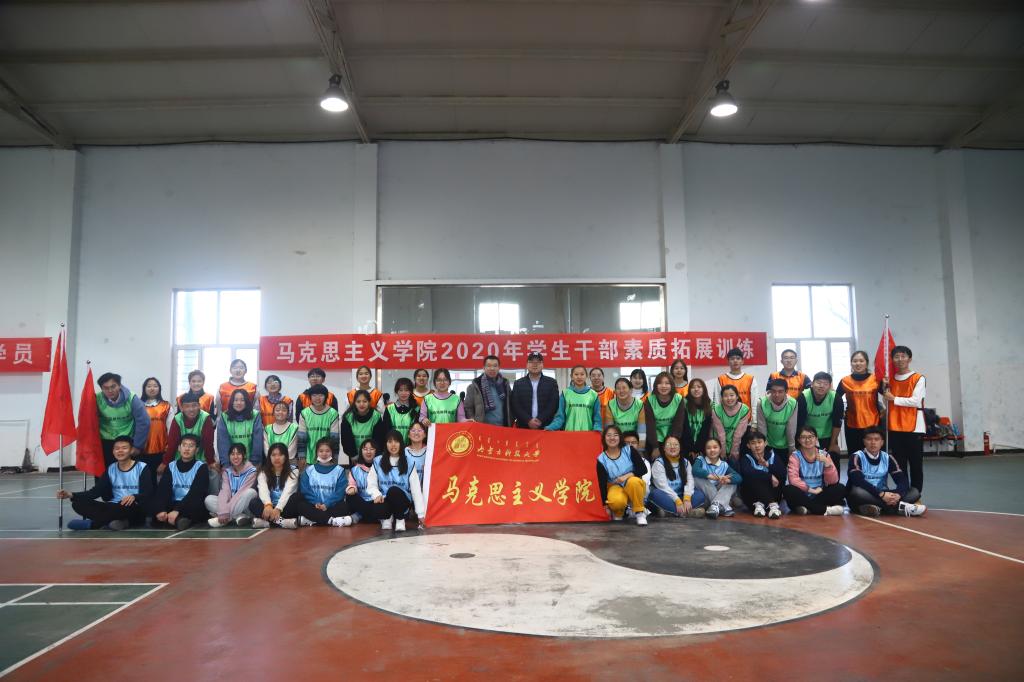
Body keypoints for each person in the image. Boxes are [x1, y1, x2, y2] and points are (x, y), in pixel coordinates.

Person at [58, 436, 154, 530]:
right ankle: (119, 522)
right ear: (113, 451)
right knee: (78, 503)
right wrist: (71, 494)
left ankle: (94, 524)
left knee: (126, 506)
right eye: (117, 448)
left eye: (124, 448)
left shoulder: (141, 467)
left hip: (134, 506)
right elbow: (95, 492)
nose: (120, 451)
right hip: (113, 506)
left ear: (132, 450)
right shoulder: (111, 468)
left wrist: (134, 496)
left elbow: (148, 493)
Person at [847, 427, 926, 517]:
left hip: (884, 494)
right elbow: (858, 481)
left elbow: (902, 480)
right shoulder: (856, 456)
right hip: (866, 493)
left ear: (882, 442)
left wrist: (898, 495)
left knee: (915, 492)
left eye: (876, 439)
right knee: (857, 492)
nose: (873, 442)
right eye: (869, 439)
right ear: (864, 442)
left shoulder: (887, 458)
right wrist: (881, 494)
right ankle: (900, 507)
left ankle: (878, 507)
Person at [883, 345, 927, 494]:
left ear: (909, 359)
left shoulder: (918, 378)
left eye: (903, 356)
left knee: (915, 463)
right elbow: (887, 403)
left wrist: (894, 398)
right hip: (895, 426)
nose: (900, 359)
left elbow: (915, 401)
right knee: (899, 464)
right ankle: (903, 492)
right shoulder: (890, 380)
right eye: (896, 356)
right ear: (892, 360)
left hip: (914, 427)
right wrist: (885, 392)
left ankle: (916, 494)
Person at [368, 430, 426, 531]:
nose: (393, 445)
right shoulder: (378, 461)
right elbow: (371, 483)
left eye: (396, 441)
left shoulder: (409, 462)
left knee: (393, 491)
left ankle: (400, 519)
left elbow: (416, 490)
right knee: (377, 508)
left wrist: (420, 514)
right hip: (385, 499)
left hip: (403, 502)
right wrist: (376, 494)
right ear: (386, 444)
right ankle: (387, 518)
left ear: (401, 443)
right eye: (390, 441)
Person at [783, 426, 847, 516]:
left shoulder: (825, 455)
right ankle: (824, 509)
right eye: (803, 437)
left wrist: (827, 464)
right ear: (798, 440)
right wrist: (811, 490)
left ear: (816, 438)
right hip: (802, 493)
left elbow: (833, 481)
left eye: (811, 436)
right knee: (788, 490)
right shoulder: (795, 456)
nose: (807, 440)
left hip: (820, 493)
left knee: (840, 488)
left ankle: (806, 507)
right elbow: (793, 480)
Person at [151, 434, 209, 530]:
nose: (187, 449)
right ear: (179, 448)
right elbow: (163, 490)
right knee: (156, 508)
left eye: (191, 446)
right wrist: (161, 509)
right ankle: (179, 520)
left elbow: (196, 493)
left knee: (197, 507)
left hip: (191, 502)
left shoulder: (201, 467)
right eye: (184, 445)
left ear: (197, 450)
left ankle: (177, 520)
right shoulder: (171, 466)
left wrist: (177, 510)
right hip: (173, 502)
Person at [596, 425, 649, 526]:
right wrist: (605, 505)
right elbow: (602, 483)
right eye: (609, 435)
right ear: (604, 438)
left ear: (620, 437)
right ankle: (618, 513)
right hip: (615, 486)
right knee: (616, 501)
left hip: (632, 484)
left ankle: (640, 513)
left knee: (634, 481)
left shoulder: (629, 450)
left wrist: (626, 476)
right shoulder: (601, 459)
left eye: (615, 435)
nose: (612, 438)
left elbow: (643, 469)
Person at [96, 372, 150, 468]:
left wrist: (137, 446)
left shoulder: (132, 399)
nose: (110, 390)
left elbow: (144, 423)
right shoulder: (97, 399)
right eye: (106, 388)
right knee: (105, 472)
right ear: (101, 389)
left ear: (119, 385)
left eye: (113, 386)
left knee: (127, 471)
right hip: (105, 442)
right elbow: (89, 421)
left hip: (127, 441)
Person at [295, 438, 353, 527]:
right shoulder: (309, 470)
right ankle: (331, 521)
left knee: (345, 507)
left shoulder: (339, 470)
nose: (324, 454)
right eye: (321, 451)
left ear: (332, 453)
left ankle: (312, 520)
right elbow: (305, 490)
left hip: (331, 506)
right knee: (301, 505)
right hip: (314, 505)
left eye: (327, 451)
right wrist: (316, 502)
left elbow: (340, 492)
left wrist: (327, 504)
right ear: (316, 453)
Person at [836, 350, 884, 457]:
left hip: (873, 424)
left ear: (866, 363)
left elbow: (887, 395)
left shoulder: (875, 379)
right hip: (852, 424)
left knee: (873, 456)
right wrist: (840, 412)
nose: (858, 363)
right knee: (855, 456)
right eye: (855, 361)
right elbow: (836, 399)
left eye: (861, 361)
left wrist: (884, 410)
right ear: (851, 363)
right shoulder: (845, 381)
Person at [648, 434, 706, 518]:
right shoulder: (659, 463)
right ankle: (687, 513)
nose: (672, 447)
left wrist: (687, 498)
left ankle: (670, 512)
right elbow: (662, 486)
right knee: (655, 494)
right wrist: (677, 500)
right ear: (664, 448)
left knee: (700, 495)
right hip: (667, 496)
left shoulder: (686, 462)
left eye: (676, 444)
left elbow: (690, 481)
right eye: (669, 444)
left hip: (682, 496)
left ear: (680, 447)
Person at [797, 372, 844, 468]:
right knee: (809, 464)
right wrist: (802, 442)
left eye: (825, 384)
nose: (821, 386)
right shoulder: (803, 397)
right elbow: (800, 423)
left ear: (829, 386)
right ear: (812, 384)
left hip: (828, 436)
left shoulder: (836, 398)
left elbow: (837, 423)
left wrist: (833, 444)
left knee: (832, 461)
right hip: (808, 436)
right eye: (818, 382)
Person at [205, 443, 258, 527]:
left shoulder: (252, 471)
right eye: (232, 454)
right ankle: (239, 516)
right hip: (232, 504)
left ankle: (225, 519)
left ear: (244, 455)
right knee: (208, 499)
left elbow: (240, 493)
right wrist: (223, 510)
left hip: (245, 506)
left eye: (238, 454)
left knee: (250, 492)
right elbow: (224, 492)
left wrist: (224, 512)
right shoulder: (227, 472)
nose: (235, 457)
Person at [249, 442, 300, 529]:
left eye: (280, 455)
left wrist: (278, 508)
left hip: (285, 507)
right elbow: (263, 490)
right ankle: (282, 522)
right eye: (273, 455)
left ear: (286, 456)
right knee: (253, 503)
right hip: (269, 507)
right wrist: (268, 505)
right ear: (269, 457)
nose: (277, 458)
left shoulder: (294, 471)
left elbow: (288, 491)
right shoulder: (263, 472)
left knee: (297, 498)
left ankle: (267, 523)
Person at [162, 393, 216, 475]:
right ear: (182, 408)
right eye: (187, 406)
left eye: (194, 405)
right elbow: (172, 444)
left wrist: (211, 461)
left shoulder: (205, 417)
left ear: (199, 406)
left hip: (200, 460)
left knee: (214, 473)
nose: (191, 409)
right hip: (181, 459)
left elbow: (208, 443)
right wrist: (165, 462)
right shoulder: (177, 419)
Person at [737, 430, 785, 519]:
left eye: (759, 442)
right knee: (753, 479)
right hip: (753, 497)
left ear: (765, 443)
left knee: (766, 480)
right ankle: (769, 505)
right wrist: (769, 476)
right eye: (753, 443)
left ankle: (769, 506)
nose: (757, 445)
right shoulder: (746, 458)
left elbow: (782, 473)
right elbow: (747, 473)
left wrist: (767, 465)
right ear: (748, 445)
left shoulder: (773, 456)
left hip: (773, 493)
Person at [692, 436, 742, 519]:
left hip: (718, 492)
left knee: (732, 483)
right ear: (705, 450)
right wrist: (710, 476)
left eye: (715, 447)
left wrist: (727, 480)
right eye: (708, 448)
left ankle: (715, 506)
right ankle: (723, 506)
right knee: (698, 478)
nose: (712, 450)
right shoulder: (700, 459)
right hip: (705, 495)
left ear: (720, 449)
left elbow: (738, 477)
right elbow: (694, 470)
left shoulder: (724, 464)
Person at [510, 353, 560, 429]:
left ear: (542, 365)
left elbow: (553, 404)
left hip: (546, 426)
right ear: (527, 365)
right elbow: (515, 405)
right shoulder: (518, 383)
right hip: (523, 426)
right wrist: (528, 420)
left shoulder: (551, 383)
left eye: (538, 362)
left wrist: (540, 419)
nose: (535, 365)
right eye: (531, 362)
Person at [216, 388, 264, 466]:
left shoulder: (255, 415)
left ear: (247, 402)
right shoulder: (224, 416)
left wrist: (254, 463)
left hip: (251, 463)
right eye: (236, 400)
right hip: (230, 464)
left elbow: (257, 441)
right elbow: (223, 443)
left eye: (242, 400)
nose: (239, 403)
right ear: (232, 402)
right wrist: (227, 465)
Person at [547, 365, 601, 432]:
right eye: (576, 374)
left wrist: (597, 429)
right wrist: (551, 427)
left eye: (582, 374)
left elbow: (597, 418)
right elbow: (560, 417)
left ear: (586, 376)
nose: (579, 377)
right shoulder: (565, 394)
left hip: (587, 434)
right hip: (568, 434)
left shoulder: (594, 395)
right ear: (571, 376)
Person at [297, 384, 341, 465]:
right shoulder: (304, 413)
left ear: (326, 397)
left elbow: (334, 439)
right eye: (314, 395)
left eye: (321, 395)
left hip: (327, 457)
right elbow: (301, 438)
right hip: (309, 457)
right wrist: (302, 456)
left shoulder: (333, 413)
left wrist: (335, 458)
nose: (317, 398)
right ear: (310, 397)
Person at [463, 356, 512, 426]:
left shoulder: (505, 385)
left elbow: (510, 405)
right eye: (489, 366)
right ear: (484, 368)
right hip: (482, 428)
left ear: (499, 368)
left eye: (495, 366)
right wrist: (473, 422)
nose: (492, 368)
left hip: (503, 427)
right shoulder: (474, 386)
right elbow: (468, 407)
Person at [643, 372, 681, 459]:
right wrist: (655, 447)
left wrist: (671, 444)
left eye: (667, 383)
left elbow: (678, 424)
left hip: (673, 438)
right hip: (654, 439)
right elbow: (650, 425)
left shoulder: (678, 398)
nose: (663, 386)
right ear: (656, 385)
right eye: (660, 383)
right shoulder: (650, 399)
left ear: (671, 385)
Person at [340, 389, 384, 464]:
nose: (361, 404)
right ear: (354, 403)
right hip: (354, 456)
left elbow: (378, 439)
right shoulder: (348, 417)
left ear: (369, 402)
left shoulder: (376, 416)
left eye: (364, 401)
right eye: (358, 401)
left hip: (372, 455)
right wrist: (353, 455)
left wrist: (374, 454)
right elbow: (346, 439)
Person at [757, 378, 797, 460]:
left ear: (786, 392)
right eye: (774, 391)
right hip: (768, 444)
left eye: (780, 391)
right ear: (770, 391)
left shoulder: (793, 403)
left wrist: (791, 448)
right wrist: (762, 446)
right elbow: (762, 427)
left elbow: (791, 428)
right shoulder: (762, 402)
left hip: (785, 445)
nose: (776, 394)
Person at [344, 439, 381, 526]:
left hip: (376, 501)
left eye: (371, 449)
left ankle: (360, 515)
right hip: (361, 502)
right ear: (361, 451)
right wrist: (352, 488)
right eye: (365, 449)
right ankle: (371, 516)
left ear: (376, 451)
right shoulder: (355, 469)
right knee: (350, 497)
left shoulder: (382, 468)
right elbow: (352, 484)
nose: (368, 452)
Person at [674, 378, 712, 459]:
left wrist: (699, 449)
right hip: (685, 445)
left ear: (704, 389)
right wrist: (690, 449)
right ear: (689, 390)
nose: (696, 389)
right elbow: (684, 428)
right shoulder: (684, 403)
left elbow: (706, 430)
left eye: (699, 387)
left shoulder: (710, 405)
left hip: (702, 447)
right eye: (693, 387)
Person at [712, 384, 751, 462]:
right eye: (725, 396)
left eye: (732, 395)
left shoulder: (744, 409)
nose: (729, 398)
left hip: (736, 444)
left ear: (737, 396)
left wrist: (734, 451)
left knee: (734, 464)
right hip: (718, 444)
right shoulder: (716, 410)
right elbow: (720, 434)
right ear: (721, 398)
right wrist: (722, 452)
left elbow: (738, 434)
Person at [140, 377, 170, 471]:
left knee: (159, 476)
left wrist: (169, 447)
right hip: (141, 449)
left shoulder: (166, 406)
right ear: (144, 388)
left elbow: (170, 428)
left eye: (155, 386)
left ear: (159, 388)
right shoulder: (138, 405)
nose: (152, 388)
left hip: (161, 448)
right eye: (149, 386)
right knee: (144, 476)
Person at [405, 422, 428, 486]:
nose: (416, 433)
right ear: (408, 435)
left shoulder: (430, 451)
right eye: (413, 430)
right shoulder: (404, 452)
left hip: (427, 489)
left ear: (425, 435)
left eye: (419, 430)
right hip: (408, 489)